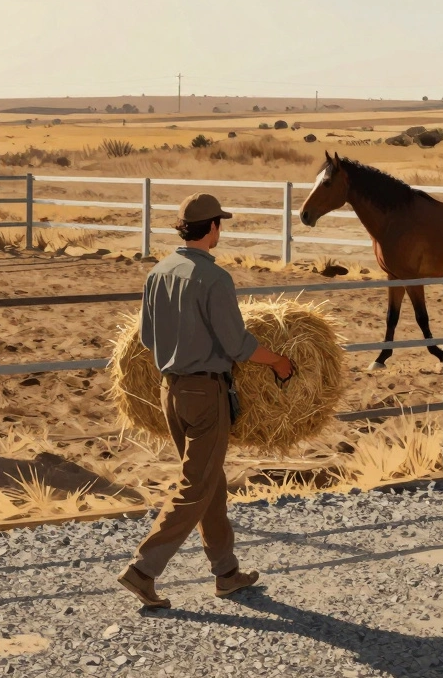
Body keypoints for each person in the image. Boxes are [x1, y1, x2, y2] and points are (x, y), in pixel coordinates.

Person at [118, 192, 295, 609]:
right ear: (212, 227)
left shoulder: (159, 272)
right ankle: (143, 570)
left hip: (170, 391)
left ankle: (226, 572)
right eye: (221, 224)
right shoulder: (215, 279)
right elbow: (238, 345)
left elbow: (146, 336)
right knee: (195, 485)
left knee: (208, 481)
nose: (221, 230)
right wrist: (279, 362)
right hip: (205, 393)